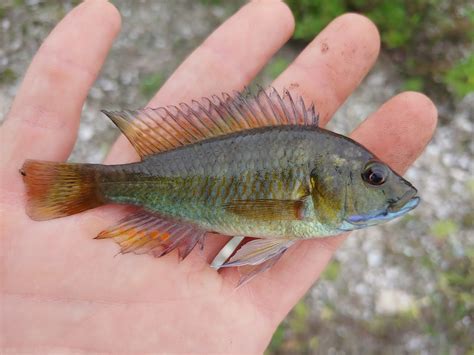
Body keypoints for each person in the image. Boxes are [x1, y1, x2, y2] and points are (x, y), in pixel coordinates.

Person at [0, 0, 437, 353]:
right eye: (372, 177)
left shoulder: (309, 205)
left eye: (376, 177)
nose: (386, 186)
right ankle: (87, 186)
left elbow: (263, 227)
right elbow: (261, 221)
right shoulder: (307, 205)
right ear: (324, 182)